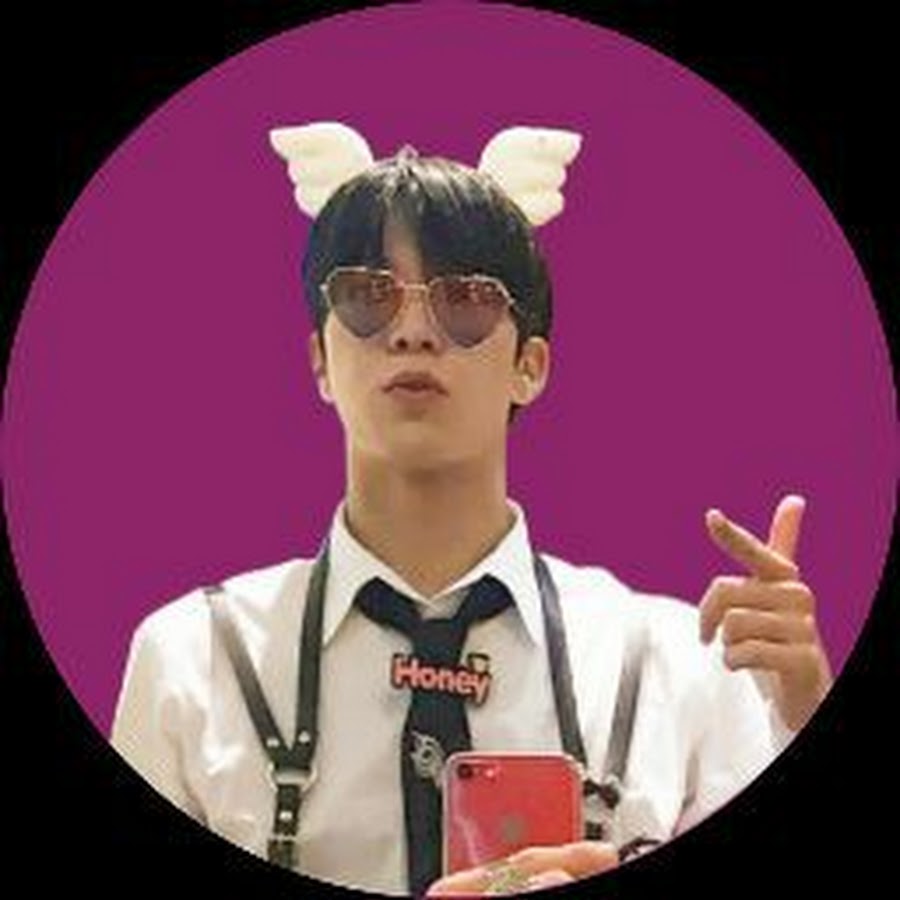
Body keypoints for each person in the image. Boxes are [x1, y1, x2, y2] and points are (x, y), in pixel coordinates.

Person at [110, 123, 832, 896]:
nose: (413, 331)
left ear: (531, 365)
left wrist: (804, 709)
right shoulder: (194, 658)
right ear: (320, 358)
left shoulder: (671, 660)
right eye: (367, 296)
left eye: (465, 301)